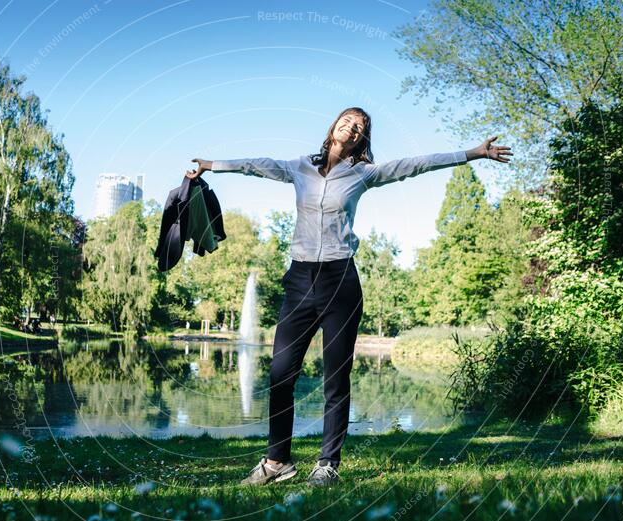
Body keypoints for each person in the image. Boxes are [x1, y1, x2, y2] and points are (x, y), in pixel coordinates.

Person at [186, 107, 512, 487]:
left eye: (360, 126)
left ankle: (328, 464)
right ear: (333, 126)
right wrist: (212, 165)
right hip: (300, 278)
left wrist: (473, 153)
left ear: (363, 139)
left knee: (336, 378)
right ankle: (277, 461)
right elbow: (258, 165)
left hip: (340, 280)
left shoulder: (364, 173)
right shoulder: (300, 168)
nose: (352, 127)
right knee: (280, 373)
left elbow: (417, 164)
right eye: (347, 120)